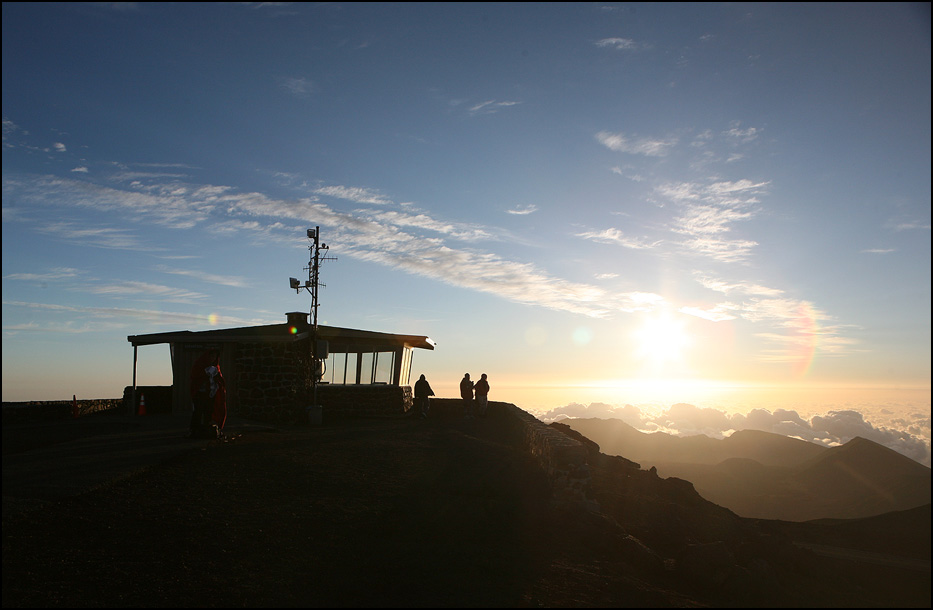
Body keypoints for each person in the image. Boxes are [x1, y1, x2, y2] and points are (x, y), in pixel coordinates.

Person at [189, 349, 226, 439]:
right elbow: (195, 376)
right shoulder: (199, 365)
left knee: (208, 412)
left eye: (214, 357)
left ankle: (205, 430)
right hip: (200, 394)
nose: (212, 358)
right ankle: (194, 430)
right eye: (211, 356)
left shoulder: (215, 367)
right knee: (198, 412)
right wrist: (205, 374)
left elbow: (219, 379)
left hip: (210, 394)